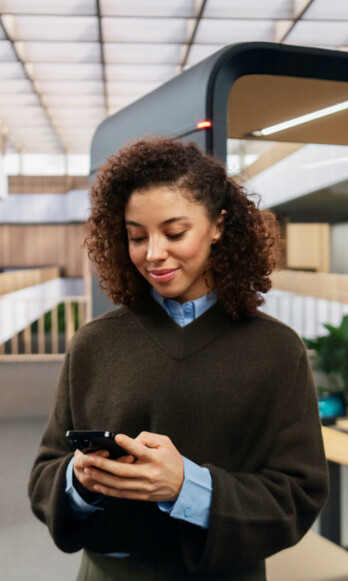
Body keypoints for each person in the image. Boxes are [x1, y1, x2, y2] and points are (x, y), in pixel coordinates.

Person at [29, 137, 328, 580]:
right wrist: (78, 480)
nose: (153, 254)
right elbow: (43, 478)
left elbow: (298, 495)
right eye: (136, 236)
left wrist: (189, 488)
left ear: (218, 226)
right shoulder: (93, 343)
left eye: (174, 233)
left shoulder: (277, 351)